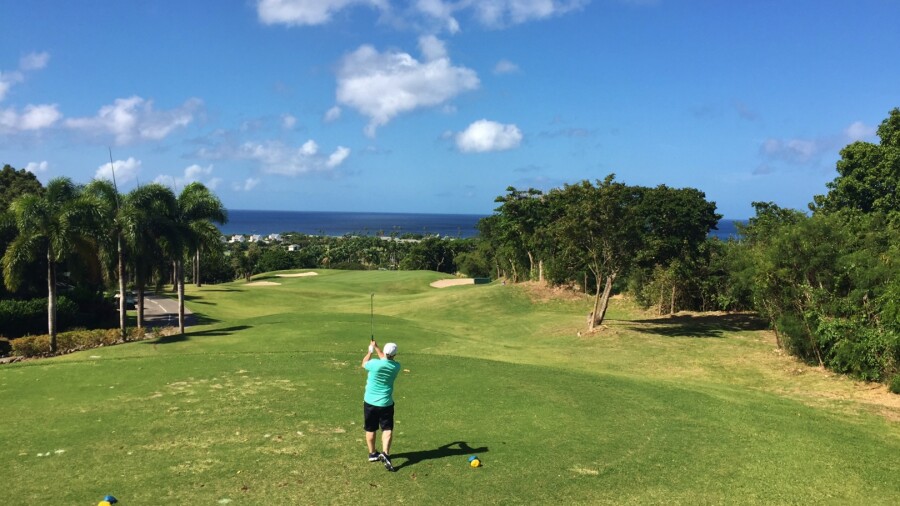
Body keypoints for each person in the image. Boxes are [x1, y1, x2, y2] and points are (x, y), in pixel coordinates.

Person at [361, 340, 400, 472]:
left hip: (370, 402)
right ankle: (385, 453)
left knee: (371, 429)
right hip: (386, 403)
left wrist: (370, 351)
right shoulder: (396, 366)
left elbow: (364, 363)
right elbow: (385, 358)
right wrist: (376, 347)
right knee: (387, 428)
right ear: (395, 354)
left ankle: (372, 454)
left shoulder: (373, 364)